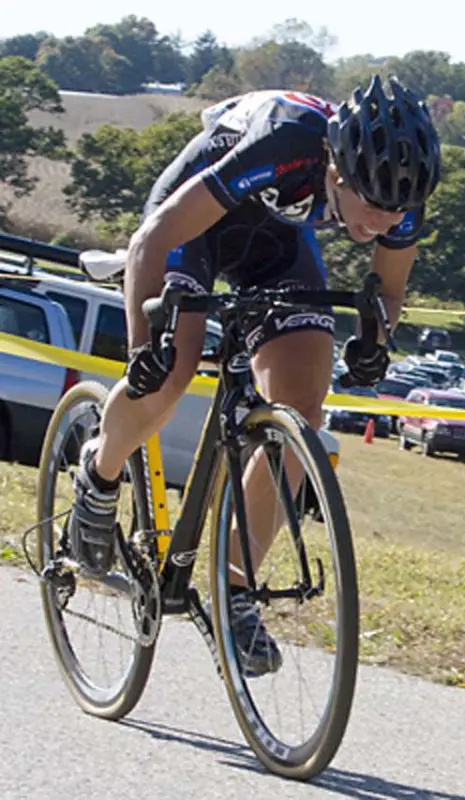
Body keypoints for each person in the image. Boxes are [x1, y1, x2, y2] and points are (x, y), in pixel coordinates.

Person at [68, 75, 442, 676]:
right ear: (337, 172)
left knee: (301, 412)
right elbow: (152, 240)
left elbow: (388, 289)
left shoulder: (399, 198)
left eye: (396, 211)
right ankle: (98, 473)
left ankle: (233, 589)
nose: (382, 222)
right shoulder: (286, 144)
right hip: (191, 226)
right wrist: (145, 348)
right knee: (170, 373)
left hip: (275, 245)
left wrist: (375, 340)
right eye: (372, 206)